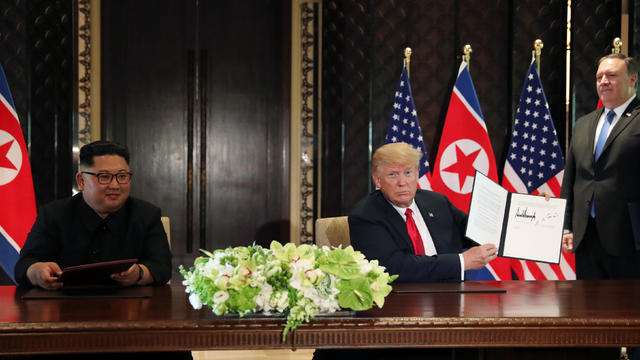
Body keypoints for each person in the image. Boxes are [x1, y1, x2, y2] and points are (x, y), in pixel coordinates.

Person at [15, 141, 171, 288]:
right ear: (81, 181)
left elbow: (162, 267)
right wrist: (36, 272)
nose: (115, 185)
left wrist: (139, 273)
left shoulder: (147, 215)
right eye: (104, 177)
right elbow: (24, 264)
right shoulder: (53, 215)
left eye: (122, 176)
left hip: (129, 308)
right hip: (65, 307)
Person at [348, 142, 497, 282]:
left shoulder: (437, 202)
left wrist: (506, 227)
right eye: (392, 174)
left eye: (408, 173)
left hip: (454, 293)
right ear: (378, 180)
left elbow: (475, 231)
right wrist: (462, 261)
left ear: (417, 174)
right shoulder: (366, 216)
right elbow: (395, 268)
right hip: (401, 302)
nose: (402, 182)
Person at [561, 53, 640, 280]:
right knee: (586, 309)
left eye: (612, 75)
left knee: (628, 311)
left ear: (632, 79)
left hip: (629, 239)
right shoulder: (583, 124)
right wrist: (567, 227)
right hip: (586, 238)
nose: (603, 81)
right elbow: (572, 180)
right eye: (599, 77)